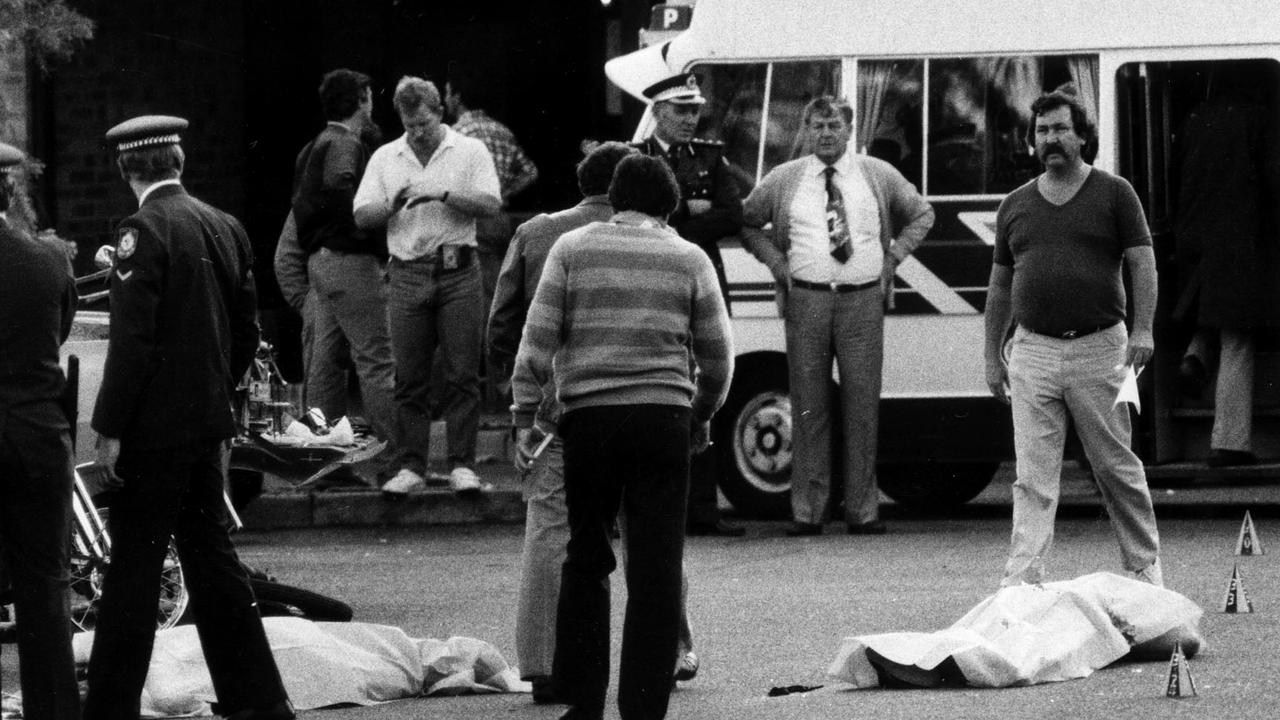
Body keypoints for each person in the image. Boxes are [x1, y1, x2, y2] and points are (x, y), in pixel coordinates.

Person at [84, 115, 294, 720]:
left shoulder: (140, 231)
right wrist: (217, 398)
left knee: (133, 570)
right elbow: (247, 330)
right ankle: (260, 699)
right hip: (206, 424)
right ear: (179, 162)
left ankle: (109, 706)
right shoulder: (223, 225)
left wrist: (111, 426)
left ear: (128, 169)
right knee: (213, 560)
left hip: (152, 431)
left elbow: (133, 342)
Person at [511, 152, 733, 720]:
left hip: (589, 423)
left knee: (585, 559)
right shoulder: (690, 258)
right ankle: (643, 709)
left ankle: (583, 704)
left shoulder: (573, 248)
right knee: (657, 567)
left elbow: (536, 343)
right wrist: (701, 414)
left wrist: (525, 416)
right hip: (664, 420)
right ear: (669, 206)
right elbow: (718, 357)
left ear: (614, 199)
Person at [982, 91, 1163, 588]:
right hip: (1032, 352)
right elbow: (999, 285)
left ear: (1083, 135)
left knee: (1115, 467)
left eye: (1061, 129)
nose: (1051, 139)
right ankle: (1021, 585)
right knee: (1033, 478)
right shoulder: (1015, 205)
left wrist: (1143, 328)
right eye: (1042, 131)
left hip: (1102, 348)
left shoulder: (1115, 193)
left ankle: (1147, 576)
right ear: (1031, 140)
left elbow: (1142, 262)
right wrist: (991, 356)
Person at [740, 96, 934, 536]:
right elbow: (748, 221)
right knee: (808, 406)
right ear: (806, 130)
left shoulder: (876, 174)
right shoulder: (785, 178)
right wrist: (775, 262)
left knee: (862, 404)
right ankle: (808, 512)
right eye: (818, 125)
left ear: (850, 131)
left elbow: (922, 213)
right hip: (806, 301)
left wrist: (893, 258)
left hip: (862, 301)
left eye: (834, 125)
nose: (826, 133)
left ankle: (862, 511)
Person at [354, 76, 502, 496]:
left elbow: (491, 205)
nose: (417, 132)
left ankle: (462, 464)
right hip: (406, 269)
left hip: (458, 268)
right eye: (410, 124)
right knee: (409, 375)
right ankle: (412, 465)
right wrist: (393, 203)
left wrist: (444, 193)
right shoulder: (387, 156)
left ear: (440, 113)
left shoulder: (469, 150)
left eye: (424, 123)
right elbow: (363, 215)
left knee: (461, 373)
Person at [633, 71, 746, 538]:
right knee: (655, 390)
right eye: (680, 110)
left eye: (695, 109)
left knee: (705, 389)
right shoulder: (634, 159)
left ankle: (702, 508)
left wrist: (673, 224)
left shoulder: (709, 158)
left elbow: (732, 214)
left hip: (701, 281)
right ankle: (658, 510)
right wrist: (690, 215)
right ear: (657, 110)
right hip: (654, 286)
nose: (689, 118)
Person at [0, 141, 80, 720]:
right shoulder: (50, 258)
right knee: (45, 584)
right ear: (9, 191)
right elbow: (61, 329)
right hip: (37, 432)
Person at [1172, 66, 1280, 467]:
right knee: (1238, 337)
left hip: (1194, 239)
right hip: (1241, 242)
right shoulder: (1258, 119)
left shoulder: (1193, 119)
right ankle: (1229, 442)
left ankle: (1196, 356)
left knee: (1213, 314)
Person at [291, 69, 397, 447]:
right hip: (350, 262)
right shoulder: (344, 142)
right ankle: (393, 456)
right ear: (362, 99)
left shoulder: (316, 143)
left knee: (327, 362)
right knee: (377, 361)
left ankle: (325, 458)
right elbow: (340, 184)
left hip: (321, 263)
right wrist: (362, 228)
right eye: (370, 96)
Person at [446, 62, 539, 405]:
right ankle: (501, 384)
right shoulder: (500, 130)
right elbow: (530, 170)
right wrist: (506, 192)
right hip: (501, 219)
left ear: (456, 95)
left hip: (475, 223)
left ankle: (492, 394)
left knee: (481, 307)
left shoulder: (457, 135)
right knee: (505, 300)